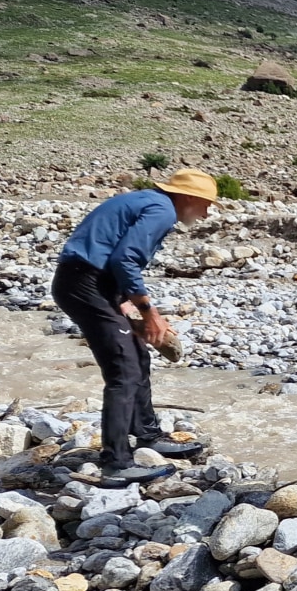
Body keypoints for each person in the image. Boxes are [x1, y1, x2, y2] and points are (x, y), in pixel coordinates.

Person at [52, 169, 217, 483]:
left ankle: (148, 436)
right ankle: (116, 461)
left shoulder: (148, 201)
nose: (207, 212)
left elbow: (111, 256)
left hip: (89, 282)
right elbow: (125, 259)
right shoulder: (163, 209)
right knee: (124, 368)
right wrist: (149, 312)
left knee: (137, 353)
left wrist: (125, 304)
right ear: (188, 197)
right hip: (84, 283)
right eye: (205, 204)